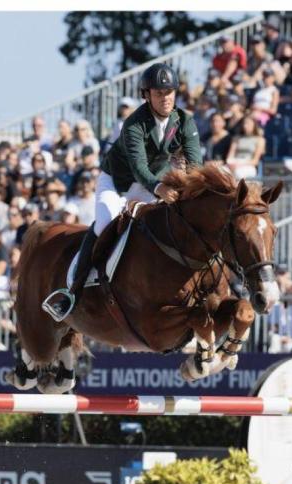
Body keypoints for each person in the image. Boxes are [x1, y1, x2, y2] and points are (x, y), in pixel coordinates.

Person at [42, 62, 202, 321]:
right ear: (147, 95)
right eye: (159, 93)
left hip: (154, 184)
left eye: (170, 92)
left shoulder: (184, 121)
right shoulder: (134, 123)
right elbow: (139, 168)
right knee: (105, 224)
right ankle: (73, 291)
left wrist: (188, 184)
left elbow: (196, 164)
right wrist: (160, 188)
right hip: (118, 183)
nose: (166, 98)